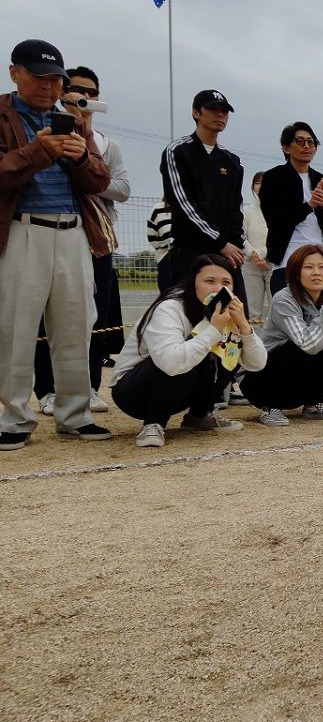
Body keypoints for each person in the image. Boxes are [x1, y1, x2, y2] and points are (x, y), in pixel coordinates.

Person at [1, 39, 114, 451]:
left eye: (56, 79)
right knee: (16, 326)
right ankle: (14, 417)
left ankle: (75, 414)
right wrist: (37, 152)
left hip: (73, 231)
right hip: (21, 230)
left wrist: (82, 157)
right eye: (39, 77)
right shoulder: (1, 113)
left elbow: (99, 180)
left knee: (75, 326)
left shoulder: (72, 118)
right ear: (14, 73)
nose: (49, 87)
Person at [33, 65, 131, 417]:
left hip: (96, 238)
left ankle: (90, 385)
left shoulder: (107, 144)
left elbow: (122, 189)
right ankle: (47, 389)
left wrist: (90, 176)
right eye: (76, 90)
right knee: (47, 316)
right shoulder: (44, 132)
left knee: (97, 315)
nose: (83, 97)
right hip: (53, 233)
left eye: (91, 92)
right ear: (62, 92)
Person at [111, 255, 265, 447]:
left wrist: (244, 327)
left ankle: (199, 416)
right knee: (185, 352)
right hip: (134, 391)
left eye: (226, 283)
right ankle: (153, 423)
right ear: (193, 283)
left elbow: (257, 363)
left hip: (179, 390)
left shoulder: (228, 312)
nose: (218, 289)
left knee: (230, 350)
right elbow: (170, 363)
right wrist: (213, 330)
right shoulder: (170, 308)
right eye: (210, 281)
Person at [240, 244, 323, 424]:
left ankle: (312, 403)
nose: (316, 273)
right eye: (308, 267)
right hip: (257, 382)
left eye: (322, 267)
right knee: (297, 346)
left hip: (294, 386)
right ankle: (269, 406)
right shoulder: (283, 299)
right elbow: (308, 344)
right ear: (297, 273)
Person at [160, 90, 245, 296]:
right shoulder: (177, 152)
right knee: (188, 311)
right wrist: (220, 242)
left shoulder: (231, 161)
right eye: (213, 109)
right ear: (196, 112)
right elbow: (184, 205)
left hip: (226, 254)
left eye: (224, 111)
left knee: (235, 311)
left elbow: (236, 207)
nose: (220, 115)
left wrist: (235, 245)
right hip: (190, 252)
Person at [258, 121, 323, 293]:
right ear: (286, 148)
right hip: (286, 259)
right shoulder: (273, 178)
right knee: (287, 307)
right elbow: (276, 221)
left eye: (311, 142)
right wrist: (309, 206)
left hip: (319, 259)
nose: (307, 146)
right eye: (300, 141)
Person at [242, 172, 273, 322]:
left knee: (277, 307)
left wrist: (261, 254)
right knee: (252, 311)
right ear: (253, 187)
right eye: (257, 183)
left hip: (274, 262)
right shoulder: (246, 210)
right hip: (250, 263)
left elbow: (281, 237)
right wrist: (253, 255)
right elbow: (240, 236)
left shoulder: (280, 210)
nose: (261, 186)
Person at [147, 199, 174, 293]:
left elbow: (152, 238)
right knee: (168, 296)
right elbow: (152, 238)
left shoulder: (195, 206)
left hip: (191, 258)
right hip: (167, 257)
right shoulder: (158, 209)